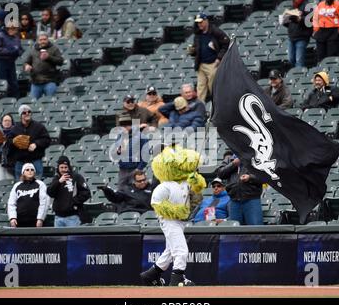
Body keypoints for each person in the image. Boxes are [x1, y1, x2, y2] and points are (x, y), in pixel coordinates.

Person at [140, 145, 206, 286]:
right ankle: (177, 278)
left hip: (180, 221)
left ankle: (151, 275)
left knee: (170, 250)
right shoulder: (164, 186)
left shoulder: (185, 181)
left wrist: (196, 180)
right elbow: (156, 203)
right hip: (169, 220)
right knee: (181, 250)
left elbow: (197, 190)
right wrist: (177, 211)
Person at [187, 12, 230, 102]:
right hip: (201, 64)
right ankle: (200, 112)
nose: (199, 24)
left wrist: (219, 58)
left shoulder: (215, 31)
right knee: (200, 90)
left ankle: (217, 108)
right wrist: (192, 51)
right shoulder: (198, 34)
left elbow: (226, 43)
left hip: (212, 64)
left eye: (201, 22)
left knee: (213, 88)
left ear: (206, 21)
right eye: (198, 22)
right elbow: (197, 50)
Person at [216, 152, 263, 225]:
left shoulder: (256, 156)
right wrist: (233, 164)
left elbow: (264, 177)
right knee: (235, 231)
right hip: (234, 200)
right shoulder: (229, 158)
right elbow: (220, 173)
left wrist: (250, 178)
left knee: (255, 230)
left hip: (252, 199)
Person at [8, 104, 51, 180]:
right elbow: (8, 142)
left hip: (35, 160)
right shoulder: (15, 128)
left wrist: (36, 144)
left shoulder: (39, 126)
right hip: (20, 161)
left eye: (29, 112)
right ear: (20, 115)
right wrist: (14, 141)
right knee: (20, 185)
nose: (27, 113)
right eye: (24, 112)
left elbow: (47, 140)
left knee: (37, 184)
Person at [46, 156, 91, 227]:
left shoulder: (77, 177)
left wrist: (73, 202)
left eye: (65, 167)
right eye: (61, 167)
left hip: (73, 217)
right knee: (58, 238)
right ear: (58, 168)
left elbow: (86, 193)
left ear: (69, 167)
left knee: (73, 238)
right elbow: (50, 192)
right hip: (58, 217)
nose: (63, 170)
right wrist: (59, 182)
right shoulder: (56, 178)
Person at [113, 115, 149, 189]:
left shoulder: (141, 136)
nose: (124, 128)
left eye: (126, 125)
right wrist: (118, 152)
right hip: (123, 169)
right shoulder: (120, 137)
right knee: (121, 191)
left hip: (135, 169)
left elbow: (146, 154)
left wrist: (139, 168)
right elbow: (115, 154)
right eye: (122, 126)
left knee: (137, 192)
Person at [24, 32, 64, 99]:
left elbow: (60, 61)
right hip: (35, 82)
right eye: (41, 40)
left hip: (49, 81)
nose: (43, 41)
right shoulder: (33, 50)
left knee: (50, 103)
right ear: (37, 40)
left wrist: (49, 57)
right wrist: (26, 66)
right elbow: (26, 62)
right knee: (34, 104)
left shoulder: (54, 49)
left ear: (48, 39)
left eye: (44, 39)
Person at [7, 163, 48, 228]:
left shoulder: (40, 184)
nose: (30, 171)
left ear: (34, 172)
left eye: (32, 169)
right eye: (27, 170)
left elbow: (44, 203)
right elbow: (11, 203)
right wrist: (12, 218)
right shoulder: (17, 185)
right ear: (23, 172)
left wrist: (40, 219)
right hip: (20, 221)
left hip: (35, 221)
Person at [0, 22, 24, 98]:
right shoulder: (0, 36)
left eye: (16, 29)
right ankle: (4, 99)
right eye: (13, 28)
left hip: (11, 62)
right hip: (1, 62)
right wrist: (10, 51)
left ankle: (15, 99)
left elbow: (20, 48)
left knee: (13, 82)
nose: (15, 31)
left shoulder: (16, 37)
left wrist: (18, 52)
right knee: (3, 81)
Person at [281, 0, 312, 67]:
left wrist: (300, 19)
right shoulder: (294, 5)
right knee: (290, 60)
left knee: (299, 61)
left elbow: (310, 22)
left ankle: (299, 76)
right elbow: (290, 24)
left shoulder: (308, 5)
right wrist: (284, 21)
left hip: (302, 37)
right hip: (291, 37)